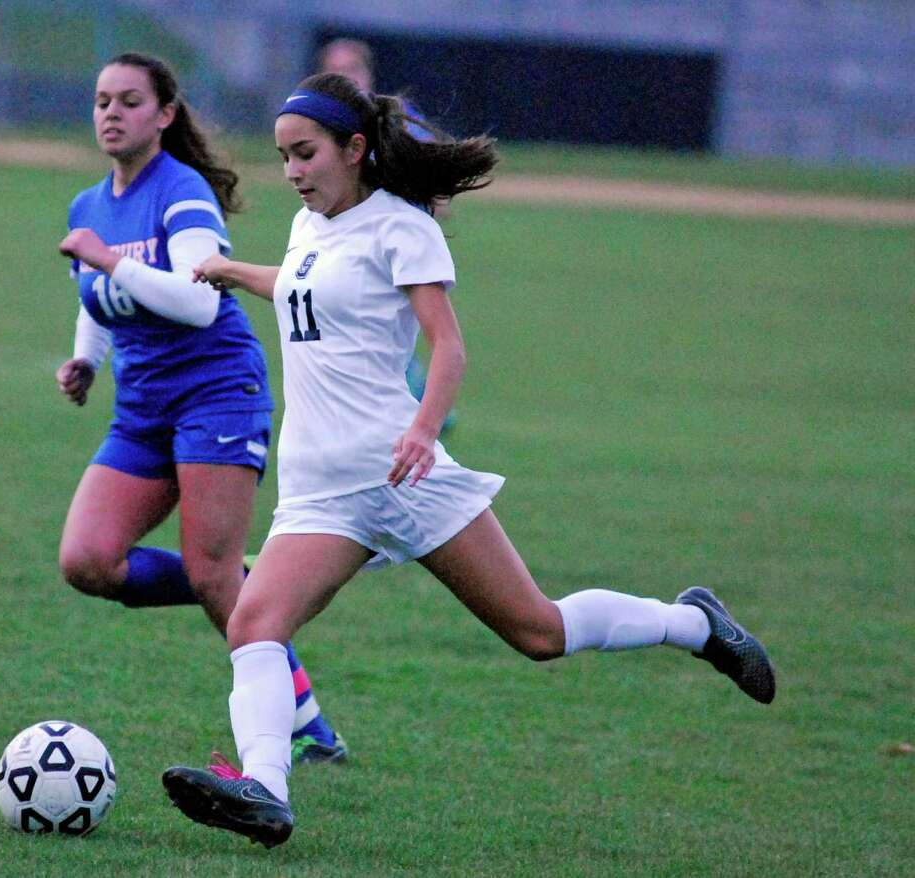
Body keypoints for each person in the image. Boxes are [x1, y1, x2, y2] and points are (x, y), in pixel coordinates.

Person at [160, 71, 776, 848]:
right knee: (254, 626)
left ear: (354, 149)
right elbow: (306, 290)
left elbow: (447, 345)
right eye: (284, 157)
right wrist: (234, 271)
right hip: (322, 490)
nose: (292, 172)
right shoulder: (306, 227)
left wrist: (423, 429)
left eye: (305, 154)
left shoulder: (400, 227)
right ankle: (266, 793)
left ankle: (694, 623)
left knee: (538, 633)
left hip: (399, 476)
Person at [54, 52, 346, 765]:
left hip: (217, 390)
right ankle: (236, 572)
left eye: (128, 101)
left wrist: (109, 260)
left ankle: (309, 727)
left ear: (164, 115)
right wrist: (87, 359)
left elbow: (195, 299)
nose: (112, 113)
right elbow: (98, 299)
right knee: (87, 560)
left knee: (215, 577)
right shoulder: (88, 207)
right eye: (101, 101)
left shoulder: (181, 192)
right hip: (143, 408)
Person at [317, 36, 449, 425]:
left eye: (351, 70)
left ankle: (422, 407)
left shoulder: (394, 121)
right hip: (339, 249)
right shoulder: (318, 125)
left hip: (390, 253)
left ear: (368, 74)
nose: (346, 79)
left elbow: (436, 183)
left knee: (383, 333)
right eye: (335, 71)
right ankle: (421, 404)